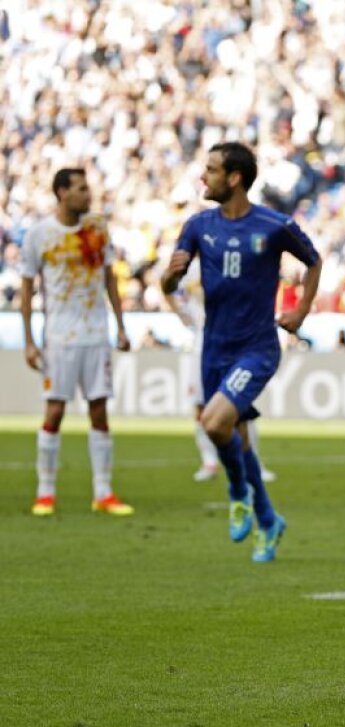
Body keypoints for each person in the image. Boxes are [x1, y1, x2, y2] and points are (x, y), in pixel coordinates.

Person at [161, 142, 321, 563]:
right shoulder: (197, 226)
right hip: (214, 348)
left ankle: (237, 493)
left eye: (211, 170)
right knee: (238, 435)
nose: (204, 177)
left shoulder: (273, 225)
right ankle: (268, 519)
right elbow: (169, 285)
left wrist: (301, 310)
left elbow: (314, 260)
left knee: (214, 424)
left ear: (234, 178)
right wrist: (168, 276)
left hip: (257, 347)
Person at [19, 168, 134, 517]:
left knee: (99, 412)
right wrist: (29, 340)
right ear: (62, 193)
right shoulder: (40, 234)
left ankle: (103, 492)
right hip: (59, 338)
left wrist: (121, 325)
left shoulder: (97, 227)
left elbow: (109, 278)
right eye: (82, 189)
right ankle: (45, 492)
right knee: (54, 412)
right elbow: (26, 289)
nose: (89, 195)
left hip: (96, 335)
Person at [164, 276, 276, 484]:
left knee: (240, 406)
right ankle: (209, 462)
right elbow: (171, 291)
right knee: (199, 407)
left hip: (231, 346)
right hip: (200, 349)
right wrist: (180, 310)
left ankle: (253, 462)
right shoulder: (192, 270)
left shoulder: (228, 259)